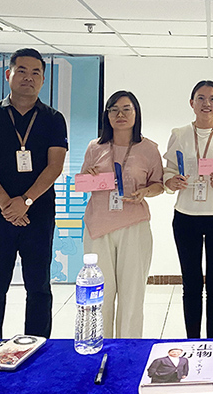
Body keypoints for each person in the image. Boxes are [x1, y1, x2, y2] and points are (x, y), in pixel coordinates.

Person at [0, 48, 68, 339]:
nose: (29, 77)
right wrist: (6, 204)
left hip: (38, 214)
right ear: (8, 74)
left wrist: (25, 201)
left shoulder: (53, 119)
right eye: (22, 71)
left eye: (36, 72)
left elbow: (55, 166)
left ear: (43, 80)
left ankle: (37, 347)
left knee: (39, 287)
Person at [163, 80, 213, 339]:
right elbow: (168, 171)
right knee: (191, 284)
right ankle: (192, 341)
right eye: (200, 98)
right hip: (185, 216)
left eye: (212, 99)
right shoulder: (179, 134)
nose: (206, 103)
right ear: (191, 103)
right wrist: (172, 181)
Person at [80, 91, 164, 339]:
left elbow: (159, 185)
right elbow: (82, 183)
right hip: (98, 228)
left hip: (133, 226)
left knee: (132, 295)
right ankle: (97, 345)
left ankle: (128, 349)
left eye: (127, 109)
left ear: (136, 114)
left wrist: (145, 192)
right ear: (107, 115)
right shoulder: (95, 147)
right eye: (114, 109)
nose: (120, 114)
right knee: (99, 295)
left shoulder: (148, 148)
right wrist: (90, 176)